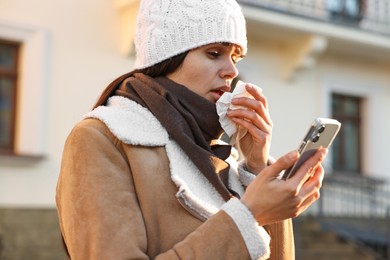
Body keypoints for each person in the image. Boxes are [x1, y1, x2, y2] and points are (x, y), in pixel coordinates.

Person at [56, 0, 327, 259]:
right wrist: (249, 214)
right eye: (214, 53)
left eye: (236, 56)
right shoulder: (101, 139)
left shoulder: (223, 154)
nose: (232, 70)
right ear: (167, 57)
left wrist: (255, 171)